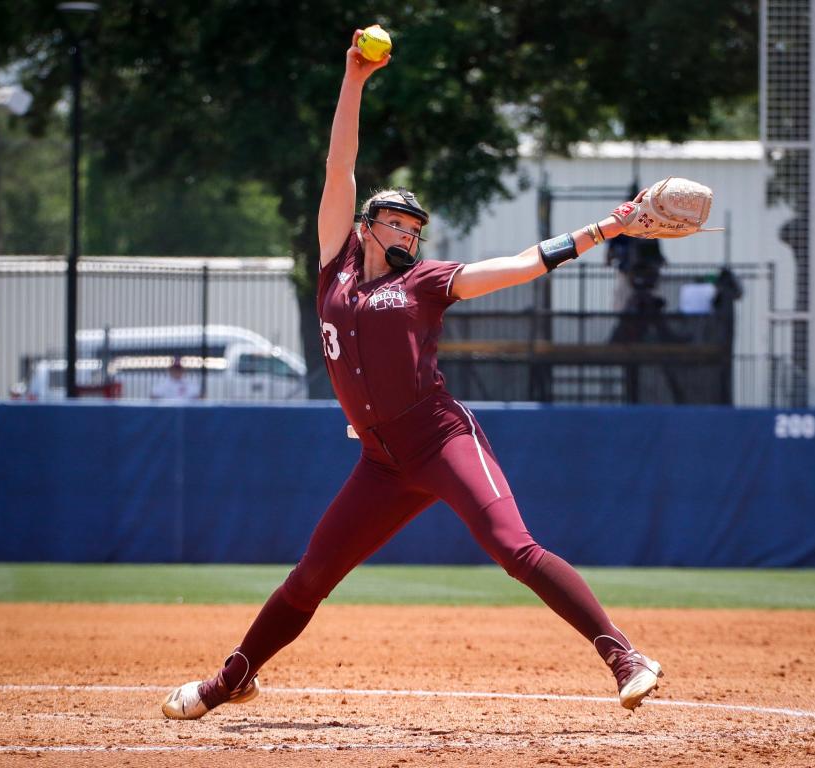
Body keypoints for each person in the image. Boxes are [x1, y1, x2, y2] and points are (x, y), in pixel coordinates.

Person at [161, 29, 663, 721]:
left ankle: (624, 656)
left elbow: (514, 266)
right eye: (396, 224)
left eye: (414, 230)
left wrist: (604, 229)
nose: (407, 236)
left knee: (515, 549)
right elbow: (341, 166)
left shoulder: (428, 281)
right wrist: (355, 79)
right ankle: (231, 679)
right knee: (310, 578)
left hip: (440, 439)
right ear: (366, 227)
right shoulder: (335, 264)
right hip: (381, 462)